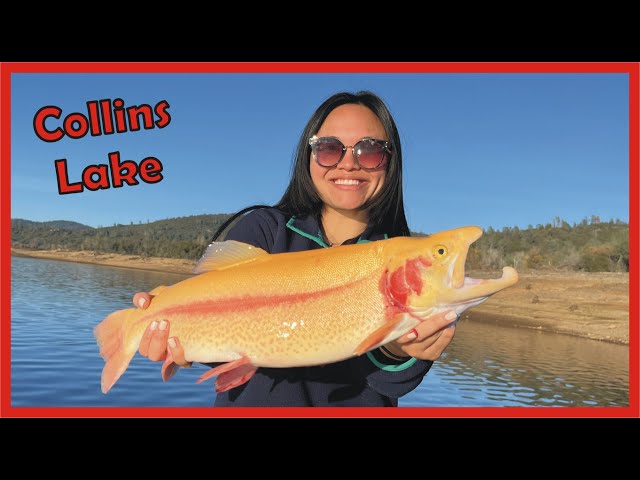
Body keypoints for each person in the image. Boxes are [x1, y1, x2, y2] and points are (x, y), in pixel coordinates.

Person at [133, 91, 457, 406]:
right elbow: (224, 336)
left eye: (369, 150)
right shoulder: (264, 228)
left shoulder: (407, 267)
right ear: (309, 155)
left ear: (390, 160)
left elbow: (390, 384)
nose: (348, 164)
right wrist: (179, 341)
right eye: (329, 149)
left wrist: (400, 351)